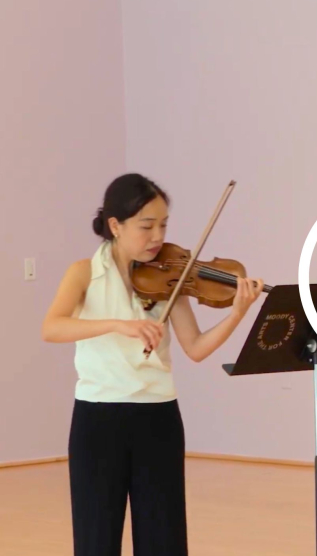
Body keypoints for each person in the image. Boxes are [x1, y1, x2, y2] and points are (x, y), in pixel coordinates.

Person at [41, 173, 265, 556]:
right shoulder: (83, 273)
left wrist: (236, 315)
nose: (158, 236)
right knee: (96, 539)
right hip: (98, 420)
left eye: (163, 225)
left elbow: (195, 348)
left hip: (158, 419)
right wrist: (117, 324)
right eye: (147, 226)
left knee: (164, 540)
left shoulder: (169, 276)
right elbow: (52, 327)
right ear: (116, 225)